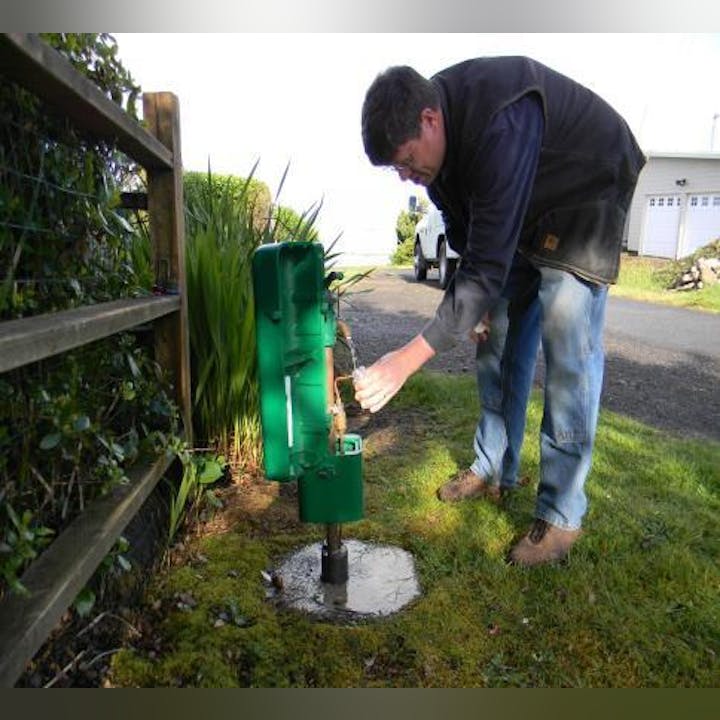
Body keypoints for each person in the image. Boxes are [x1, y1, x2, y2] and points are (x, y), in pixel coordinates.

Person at [356, 56, 645, 566]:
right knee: (496, 340)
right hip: (529, 204)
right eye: (395, 170)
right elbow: (464, 226)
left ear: (429, 119)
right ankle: (492, 468)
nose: (404, 177)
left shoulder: (498, 120)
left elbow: (487, 264)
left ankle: (560, 515)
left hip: (588, 188)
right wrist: (479, 306)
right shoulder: (439, 153)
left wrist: (404, 359)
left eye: (404, 160)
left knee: (567, 346)